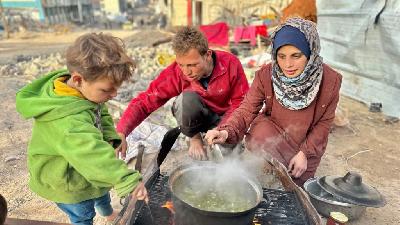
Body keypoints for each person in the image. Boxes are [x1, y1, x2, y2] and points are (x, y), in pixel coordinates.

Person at [15, 33, 148, 225]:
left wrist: (111, 136)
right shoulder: (68, 121)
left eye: (116, 88)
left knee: (101, 191)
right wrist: (127, 180)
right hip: (67, 180)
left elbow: (100, 111)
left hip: (84, 166)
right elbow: (92, 155)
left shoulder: (84, 89)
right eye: (106, 90)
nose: (114, 95)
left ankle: (108, 213)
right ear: (77, 79)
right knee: (83, 213)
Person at [205, 17, 342, 186]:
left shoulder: (330, 81)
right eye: (281, 56)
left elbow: (324, 122)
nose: (287, 65)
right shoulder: (267, 74)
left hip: (304, 141)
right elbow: (247, 108)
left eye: (296, 56)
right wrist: (226, 131)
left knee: (293, 187)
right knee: (261, 174)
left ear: (310, 52)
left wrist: (305, 154)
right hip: (272, 133)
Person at [117, 26, 249, 160]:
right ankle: (194, 138)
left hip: (224, 119)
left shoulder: (230, 64)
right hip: (196, 119)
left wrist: (223, 130)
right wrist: (122, 131)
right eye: (181, 65)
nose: (186, 72)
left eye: (192, 65)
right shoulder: (176, 72)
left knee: (227, 155)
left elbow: (241, 103)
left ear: (207, 55)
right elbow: (146, 101)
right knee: (186, 100)